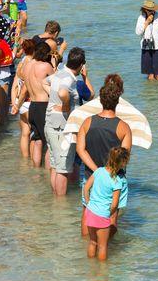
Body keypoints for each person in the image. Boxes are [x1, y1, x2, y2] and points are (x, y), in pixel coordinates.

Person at [77, 79, 132, 235]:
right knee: (111, 215)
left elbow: (81, 150)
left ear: (100, 100)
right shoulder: (124, 127)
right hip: (114, 178)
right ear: (117, 102)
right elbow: (124, 157)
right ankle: (108, 249)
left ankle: (88, 247)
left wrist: (97, 171)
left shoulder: (87, 122)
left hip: (90, 175)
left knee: (87, 212)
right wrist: (107, 171)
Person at [44, 47, 92, 196]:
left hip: (51, 123)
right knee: (63, 169)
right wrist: (65, 106)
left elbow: (44, 82)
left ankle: (55, 198)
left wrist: (53, 102)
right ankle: (61, 205)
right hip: (61, 128)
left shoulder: (59, 73)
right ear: (81, 65)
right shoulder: (69, 79)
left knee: (55, 165)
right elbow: (63, 92)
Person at [83, 146, 130, 261]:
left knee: (93, 242)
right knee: (103, 246)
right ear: (122, 163)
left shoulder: (98, 171)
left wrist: (89, 203)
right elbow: (114, 205)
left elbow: (86, 188)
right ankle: (102, 273)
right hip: (102, 214)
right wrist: (108, 214)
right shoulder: (117, 181)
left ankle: (91, 269)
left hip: (90, 211)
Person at [17, 42, 53, 166]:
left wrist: (17, 105)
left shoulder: (27, 66)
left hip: (32, 105)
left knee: (37, 140)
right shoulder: (46, 66)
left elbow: (24, 89)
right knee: (49, 143)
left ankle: (36, 171)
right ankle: (49, 173)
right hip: (43, 106)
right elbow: (56, 83)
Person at [11, 38, 37, 158]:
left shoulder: (21, 64)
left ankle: (25, 161)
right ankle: (33, 161)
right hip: (29, 102)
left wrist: (15, 104)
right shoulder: (33, 64)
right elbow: (26, 89)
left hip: (20, 103)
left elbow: (15, 86)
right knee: (35, 134)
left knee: (24, 133)